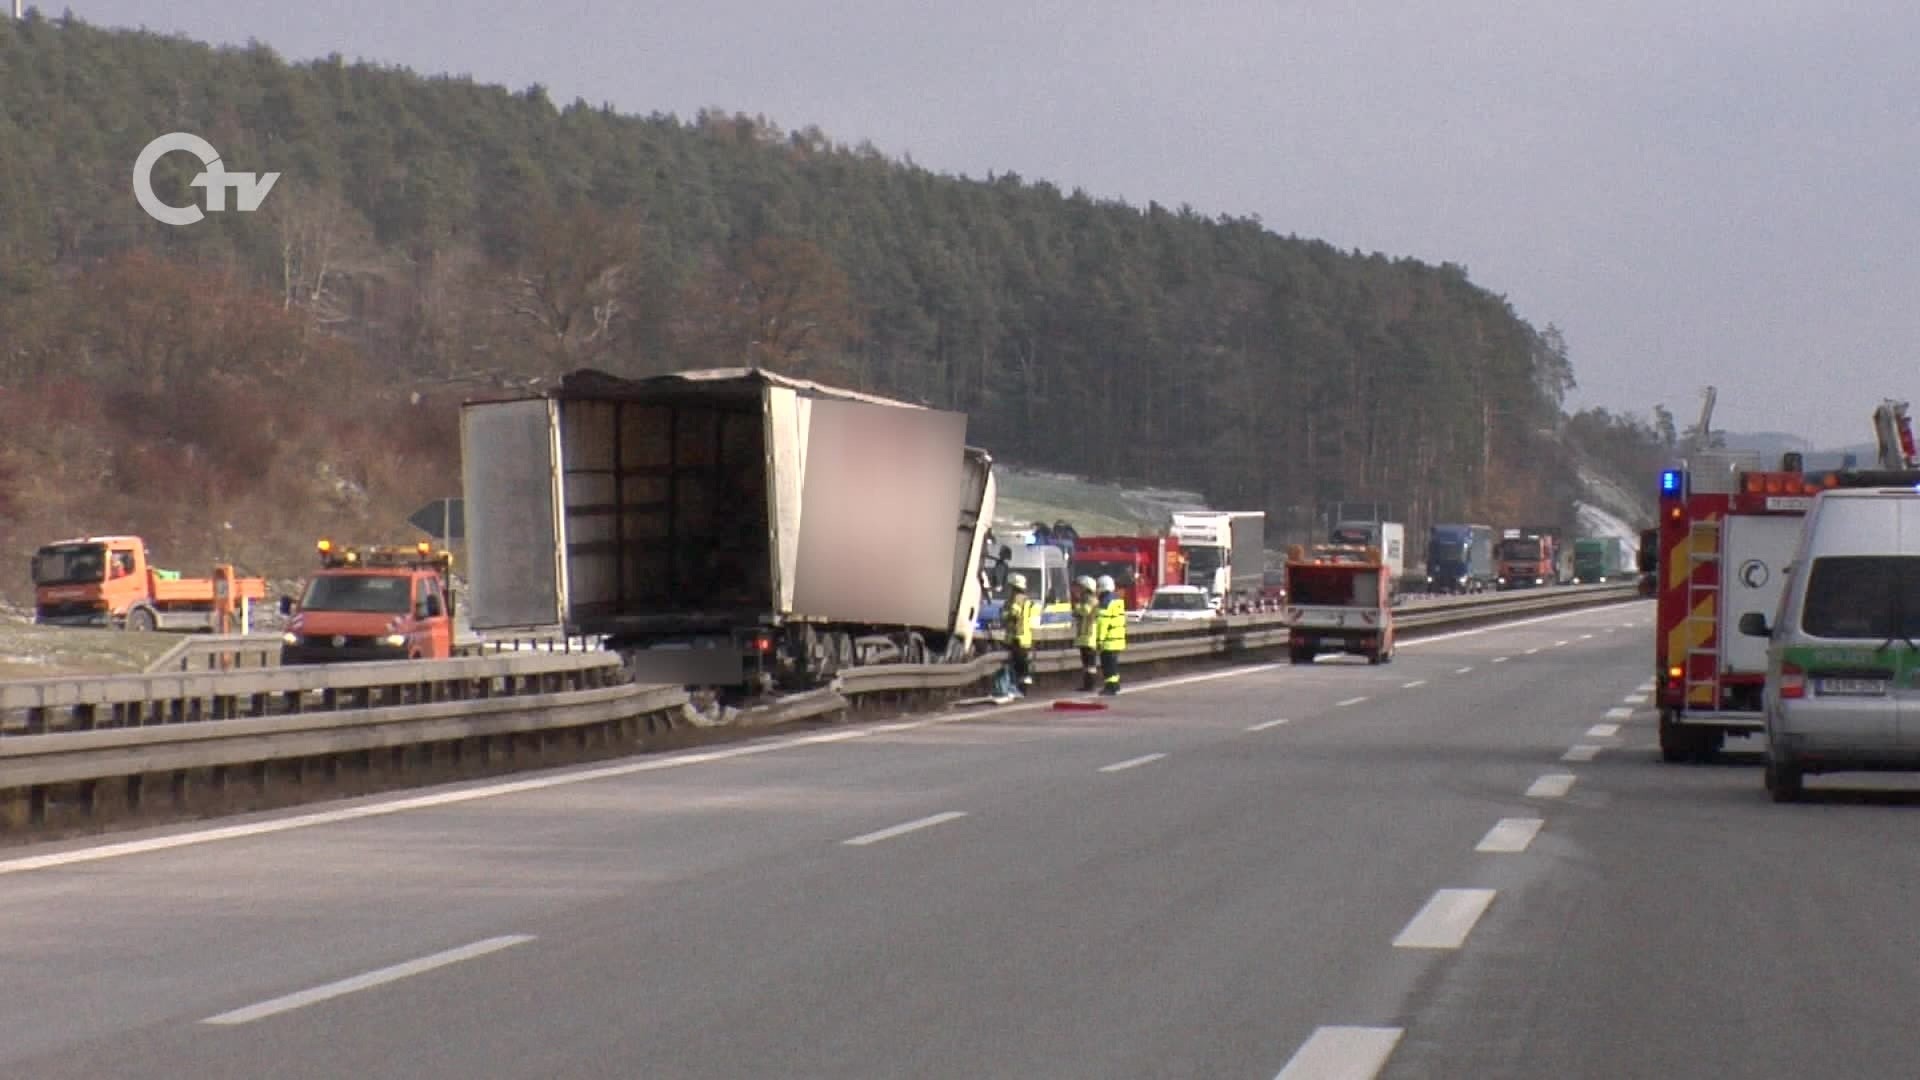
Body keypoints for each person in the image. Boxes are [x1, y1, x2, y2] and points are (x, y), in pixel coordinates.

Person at [1003, 572, 1039, 693]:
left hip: (1016, 637)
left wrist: (1004, 614)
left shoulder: (1016, 599)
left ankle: (1020, 689)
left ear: (1013, 586)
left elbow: (1013, 614)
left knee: (1019, 665)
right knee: (1023, 664)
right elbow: (1034, 621)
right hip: (1026, 636)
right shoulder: (1028, 600)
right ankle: (1022, 688)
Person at [1095, 574, 1127, 695]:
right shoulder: (1117, 600)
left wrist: (1099, 640)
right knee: (1113, 664)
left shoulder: (1105, 602)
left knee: (1108, 665)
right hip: (1118, 639)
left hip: (1109, 640)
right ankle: (1116, 685)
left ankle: (1111, 687)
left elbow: (1102, 623)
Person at [1071, 574, 1099, 691]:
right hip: (1085, 637)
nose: (1078, 590)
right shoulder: (1086, 599)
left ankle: (1090, 685)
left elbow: (1084, 611)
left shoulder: (1090, 599)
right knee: (1086, 664)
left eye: (1080, 587)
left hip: (1089, 636)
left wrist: (1076, 605)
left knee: (1089, 664)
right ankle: (1087, 685)